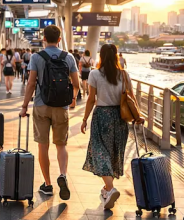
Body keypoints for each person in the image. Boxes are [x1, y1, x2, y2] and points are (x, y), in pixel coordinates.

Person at [19, 25, 79, 200]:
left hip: (41, 105)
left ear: (43, 38)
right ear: (59, 39)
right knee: (61, 145)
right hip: (62, 107)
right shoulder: (68, 57)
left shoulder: (37, 57)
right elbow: (76, 83)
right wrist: (73, 98)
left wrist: (24, 106)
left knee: (42, 146)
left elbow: (31, 84)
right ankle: (63, 174)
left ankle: (47, 184)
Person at [81, 44, 143, 210]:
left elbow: (91, 99)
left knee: (99, 151)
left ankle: (110, 188)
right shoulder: (123, 74)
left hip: (102, 116)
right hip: (120, 118)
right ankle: (108, 192)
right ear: (116, 56)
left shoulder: (94, 74)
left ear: (101, 56)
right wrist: (137, 116)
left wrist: (85, 118)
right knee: (114, 152)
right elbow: (131, 97)